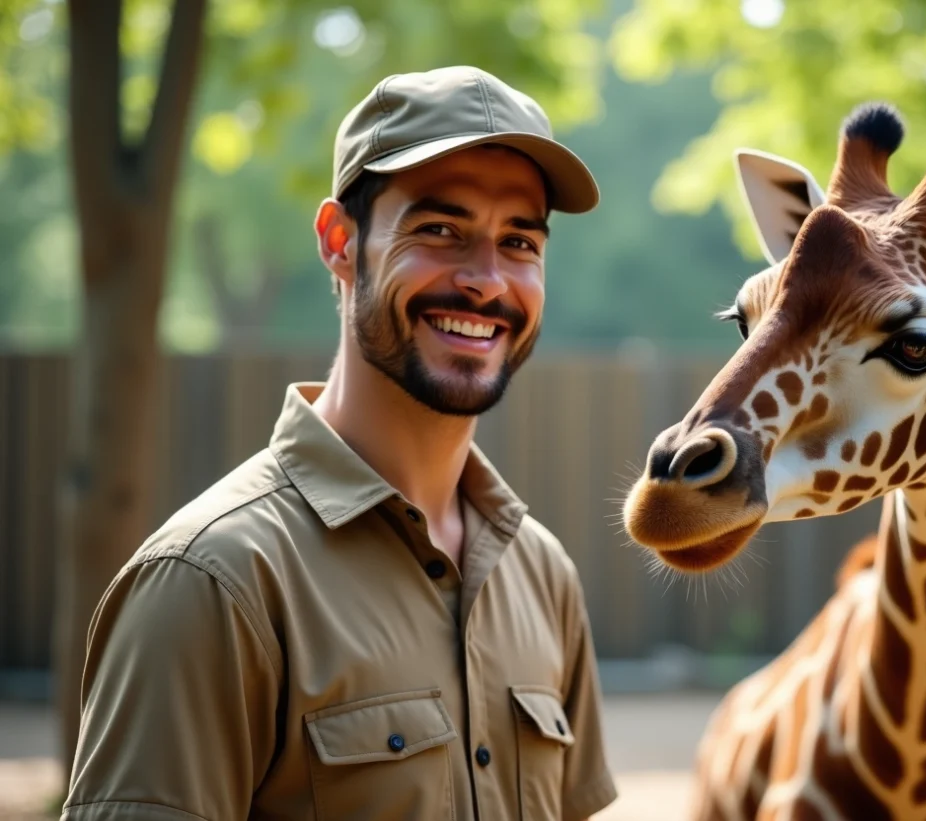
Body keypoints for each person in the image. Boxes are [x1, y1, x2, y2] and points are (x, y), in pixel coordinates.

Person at [60, 66, 617, 821]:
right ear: (339, 242)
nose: (487, 281)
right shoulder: (212, 581)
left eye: (519, 241)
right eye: (440, 230)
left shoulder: (542, 576)